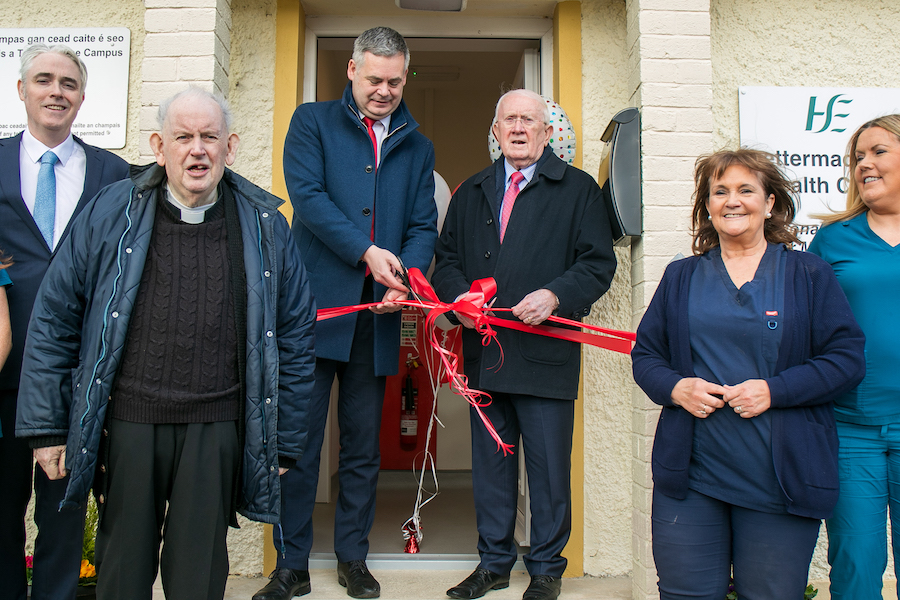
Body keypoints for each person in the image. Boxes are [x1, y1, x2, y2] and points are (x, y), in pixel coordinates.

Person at [14, 87, 316, 600]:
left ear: (230, 147)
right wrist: (47, 427)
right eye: (183, 137)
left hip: (217, 424)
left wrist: (283, 439)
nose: (197, 149)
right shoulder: (110, 211)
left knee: (198, 573)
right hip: (129, 421)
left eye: (209, 137)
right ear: (159, 146)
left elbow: (293, 335)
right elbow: (55, 319)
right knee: (121, 570)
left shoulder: (266, 225)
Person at [632, 148, 866, 600]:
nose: (732, 201)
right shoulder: (681, 276)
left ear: (770, 203)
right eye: (719, 191)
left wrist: (774, 391)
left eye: (745, 190)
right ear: (707, 206)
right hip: (692, 479)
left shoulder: (808, 274)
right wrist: (677, 387)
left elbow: (846, 360)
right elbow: (646, 355)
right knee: (685, 594)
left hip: (779, 480)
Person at [254, 26, 436, 600]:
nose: (384, 90)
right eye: (374, 78)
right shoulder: (311, 123)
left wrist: (403, 276)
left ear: (406, 77)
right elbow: (307, 199)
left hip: (379, 316)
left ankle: (353, 559)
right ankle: (292, 565)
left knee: (362, 447)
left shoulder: (418, 142)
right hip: (314, 312)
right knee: (299, 445)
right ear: (352, 71)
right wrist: (367, 252)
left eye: (394, 80)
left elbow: (423, 226)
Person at [432, 89, 617, 600]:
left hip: (545, 352)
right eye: (508, 120)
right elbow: (445, 260)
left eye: (528, 120)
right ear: (495, 131)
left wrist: (556, 294)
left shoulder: (578, 190)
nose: (518, 128)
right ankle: (492, 564)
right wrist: (460, 299)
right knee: (491, 467)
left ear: (546, 131)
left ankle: (546, 569)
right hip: (484, 356)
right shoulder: (471, 191)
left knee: (549, 471)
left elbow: (598, 263)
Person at [0, 43, 129, 600]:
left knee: (64, 513)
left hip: (79, 380)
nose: (57, 91)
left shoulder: (115, 174)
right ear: (21, 90)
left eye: (69, 83)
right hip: (3, 373)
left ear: (82, 97)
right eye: (45, 80)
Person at [808, 114, 900, 599]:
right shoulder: (833, 239)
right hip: (851, 429)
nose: (864, 163)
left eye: (878, 151)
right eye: (858, 156)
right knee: (856, 563)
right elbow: (806, 328)